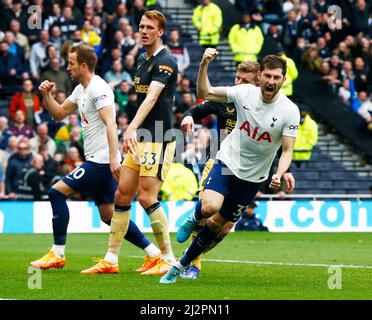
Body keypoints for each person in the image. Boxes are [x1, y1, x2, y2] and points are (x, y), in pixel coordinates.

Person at [160, 50, 300, 284]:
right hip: (225, 161)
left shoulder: (289, 111)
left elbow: (287, 150)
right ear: (261, 77)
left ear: (283, 80)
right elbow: (204, 94)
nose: (271, 81)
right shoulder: (243, 94)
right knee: (208, 208)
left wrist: (280, 173)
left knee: (219, 227)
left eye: (277, 77)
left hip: (253, 177)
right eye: (268, 76)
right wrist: (203, 63)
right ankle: (194, 218)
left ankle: (182, 264)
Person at [82, 10, 178, 276]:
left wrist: (131, 128)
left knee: (147, 197)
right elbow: (139, 100)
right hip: (140, 138)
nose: (143, 31)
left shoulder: (167, 61)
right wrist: (133, 130)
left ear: (161, 32)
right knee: (121, 195)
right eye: (141, 26)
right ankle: (111, 259)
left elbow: (152, 98)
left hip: (158, 137)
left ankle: (168, 258)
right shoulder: (140, 60)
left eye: (149, 27)